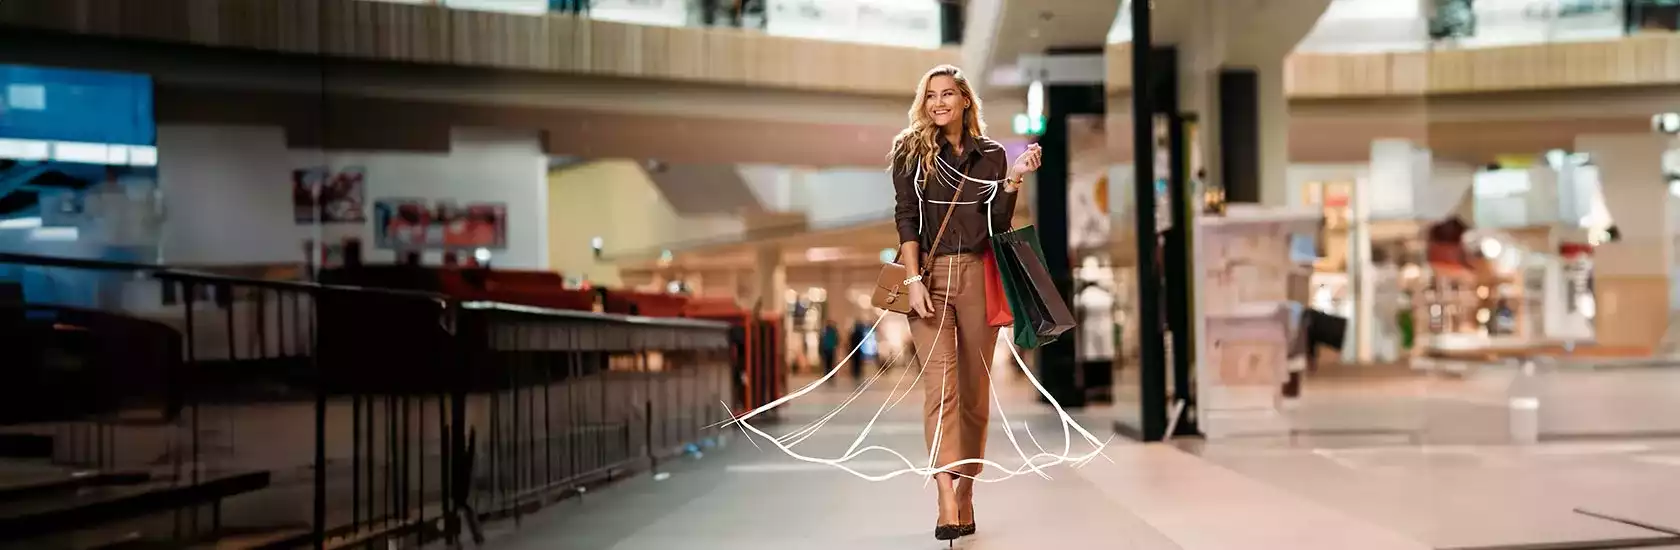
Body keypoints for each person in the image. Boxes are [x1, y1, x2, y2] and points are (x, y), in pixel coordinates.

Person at [890, 64, 1042, 542]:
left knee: (975, 394)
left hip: (978, 276)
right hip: (929, 279)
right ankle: (944, 491)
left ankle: (968, 486)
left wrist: (1014, 179)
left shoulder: (992, 155)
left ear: (965, 101)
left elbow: (996, 223)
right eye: (931, 94)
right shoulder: (909, 151)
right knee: (941, 390)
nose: (938, 102)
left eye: (948, 94)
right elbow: (906, 216)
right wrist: (913, 278)